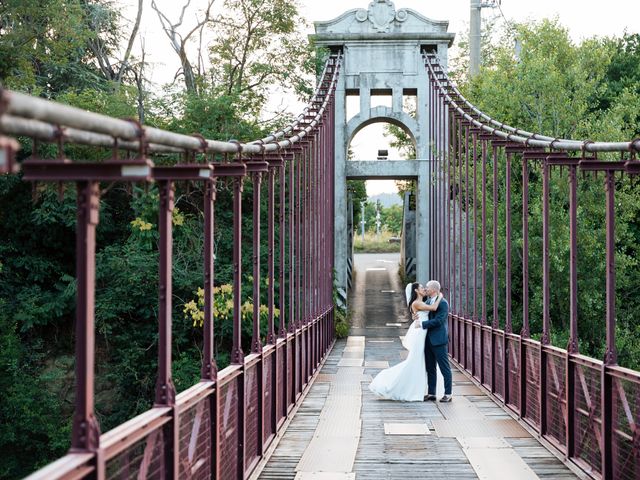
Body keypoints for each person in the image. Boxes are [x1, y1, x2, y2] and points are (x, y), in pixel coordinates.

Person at [368, 282, 443, 401]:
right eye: (421, 288)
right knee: (415, 361)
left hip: (423, 332)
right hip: (420, 333)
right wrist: (440, 297)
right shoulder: (417, 303)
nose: (424, 289)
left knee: (419, 361)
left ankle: (423, 390)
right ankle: (395, 386)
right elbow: (434, 308)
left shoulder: (423, 302)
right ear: (416, 291)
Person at [414, 280, 452, 402]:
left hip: (439, 340)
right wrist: (415, 316)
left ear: (434, 290)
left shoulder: (443, 303)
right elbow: (421, 312)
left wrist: (422, 324)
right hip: (427, 340)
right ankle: (431, 393)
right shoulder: (428, 302)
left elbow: (439, 321)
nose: (426, 289)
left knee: (444, 367)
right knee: (430, 367)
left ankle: (448, 394)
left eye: (428, 288)